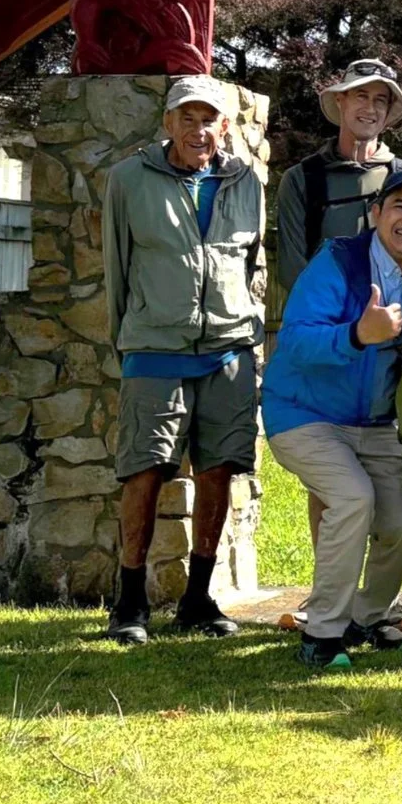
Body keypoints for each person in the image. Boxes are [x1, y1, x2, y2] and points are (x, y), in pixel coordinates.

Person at [102, 75, 266, 646]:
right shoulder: (127, 180)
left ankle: (198, 598)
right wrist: (129, 338)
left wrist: (244, 330)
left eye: (209, 120)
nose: (199, 130)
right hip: (154, 347)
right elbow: (116, 269)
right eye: (187, 118)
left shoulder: (247, 180)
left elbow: (250, 263)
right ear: (167, 123)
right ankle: (129, 601)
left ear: (224, 126)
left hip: (228, 349)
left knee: (219, 471)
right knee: (143, 470)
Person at [264, 168, 402, 666]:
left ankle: (369, 615)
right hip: (303, 414)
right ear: (376, 214)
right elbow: (296, 341)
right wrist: (357, 334)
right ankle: (322, 635)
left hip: (375, 424)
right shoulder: (337, 261)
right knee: (352, 498)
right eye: (400, 207)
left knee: (401, 523)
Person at [275, 58, 402, 295]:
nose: (370, 109)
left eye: (380, 100)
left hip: (396, 321)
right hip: (325, 323)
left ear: (388, 111)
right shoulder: (301, 180)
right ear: (341, 100)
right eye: (361, 95)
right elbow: (292, 271)